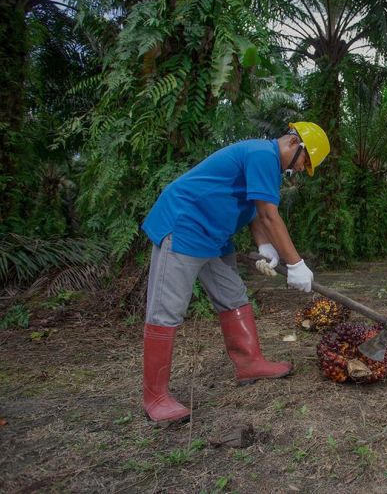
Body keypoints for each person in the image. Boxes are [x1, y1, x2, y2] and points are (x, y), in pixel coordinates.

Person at [139, 122, 329, 425]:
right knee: (166, 310)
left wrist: (264, 245)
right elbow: (268, 213)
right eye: (304, 162)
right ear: (295, 143)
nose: (300, 170)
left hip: (213, 237)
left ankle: (250, 363)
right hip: (184, 226)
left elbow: (254, 210)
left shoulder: (266, 163)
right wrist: (295, 263)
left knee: (233, 296)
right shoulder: (263, 155)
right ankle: (155, 397)